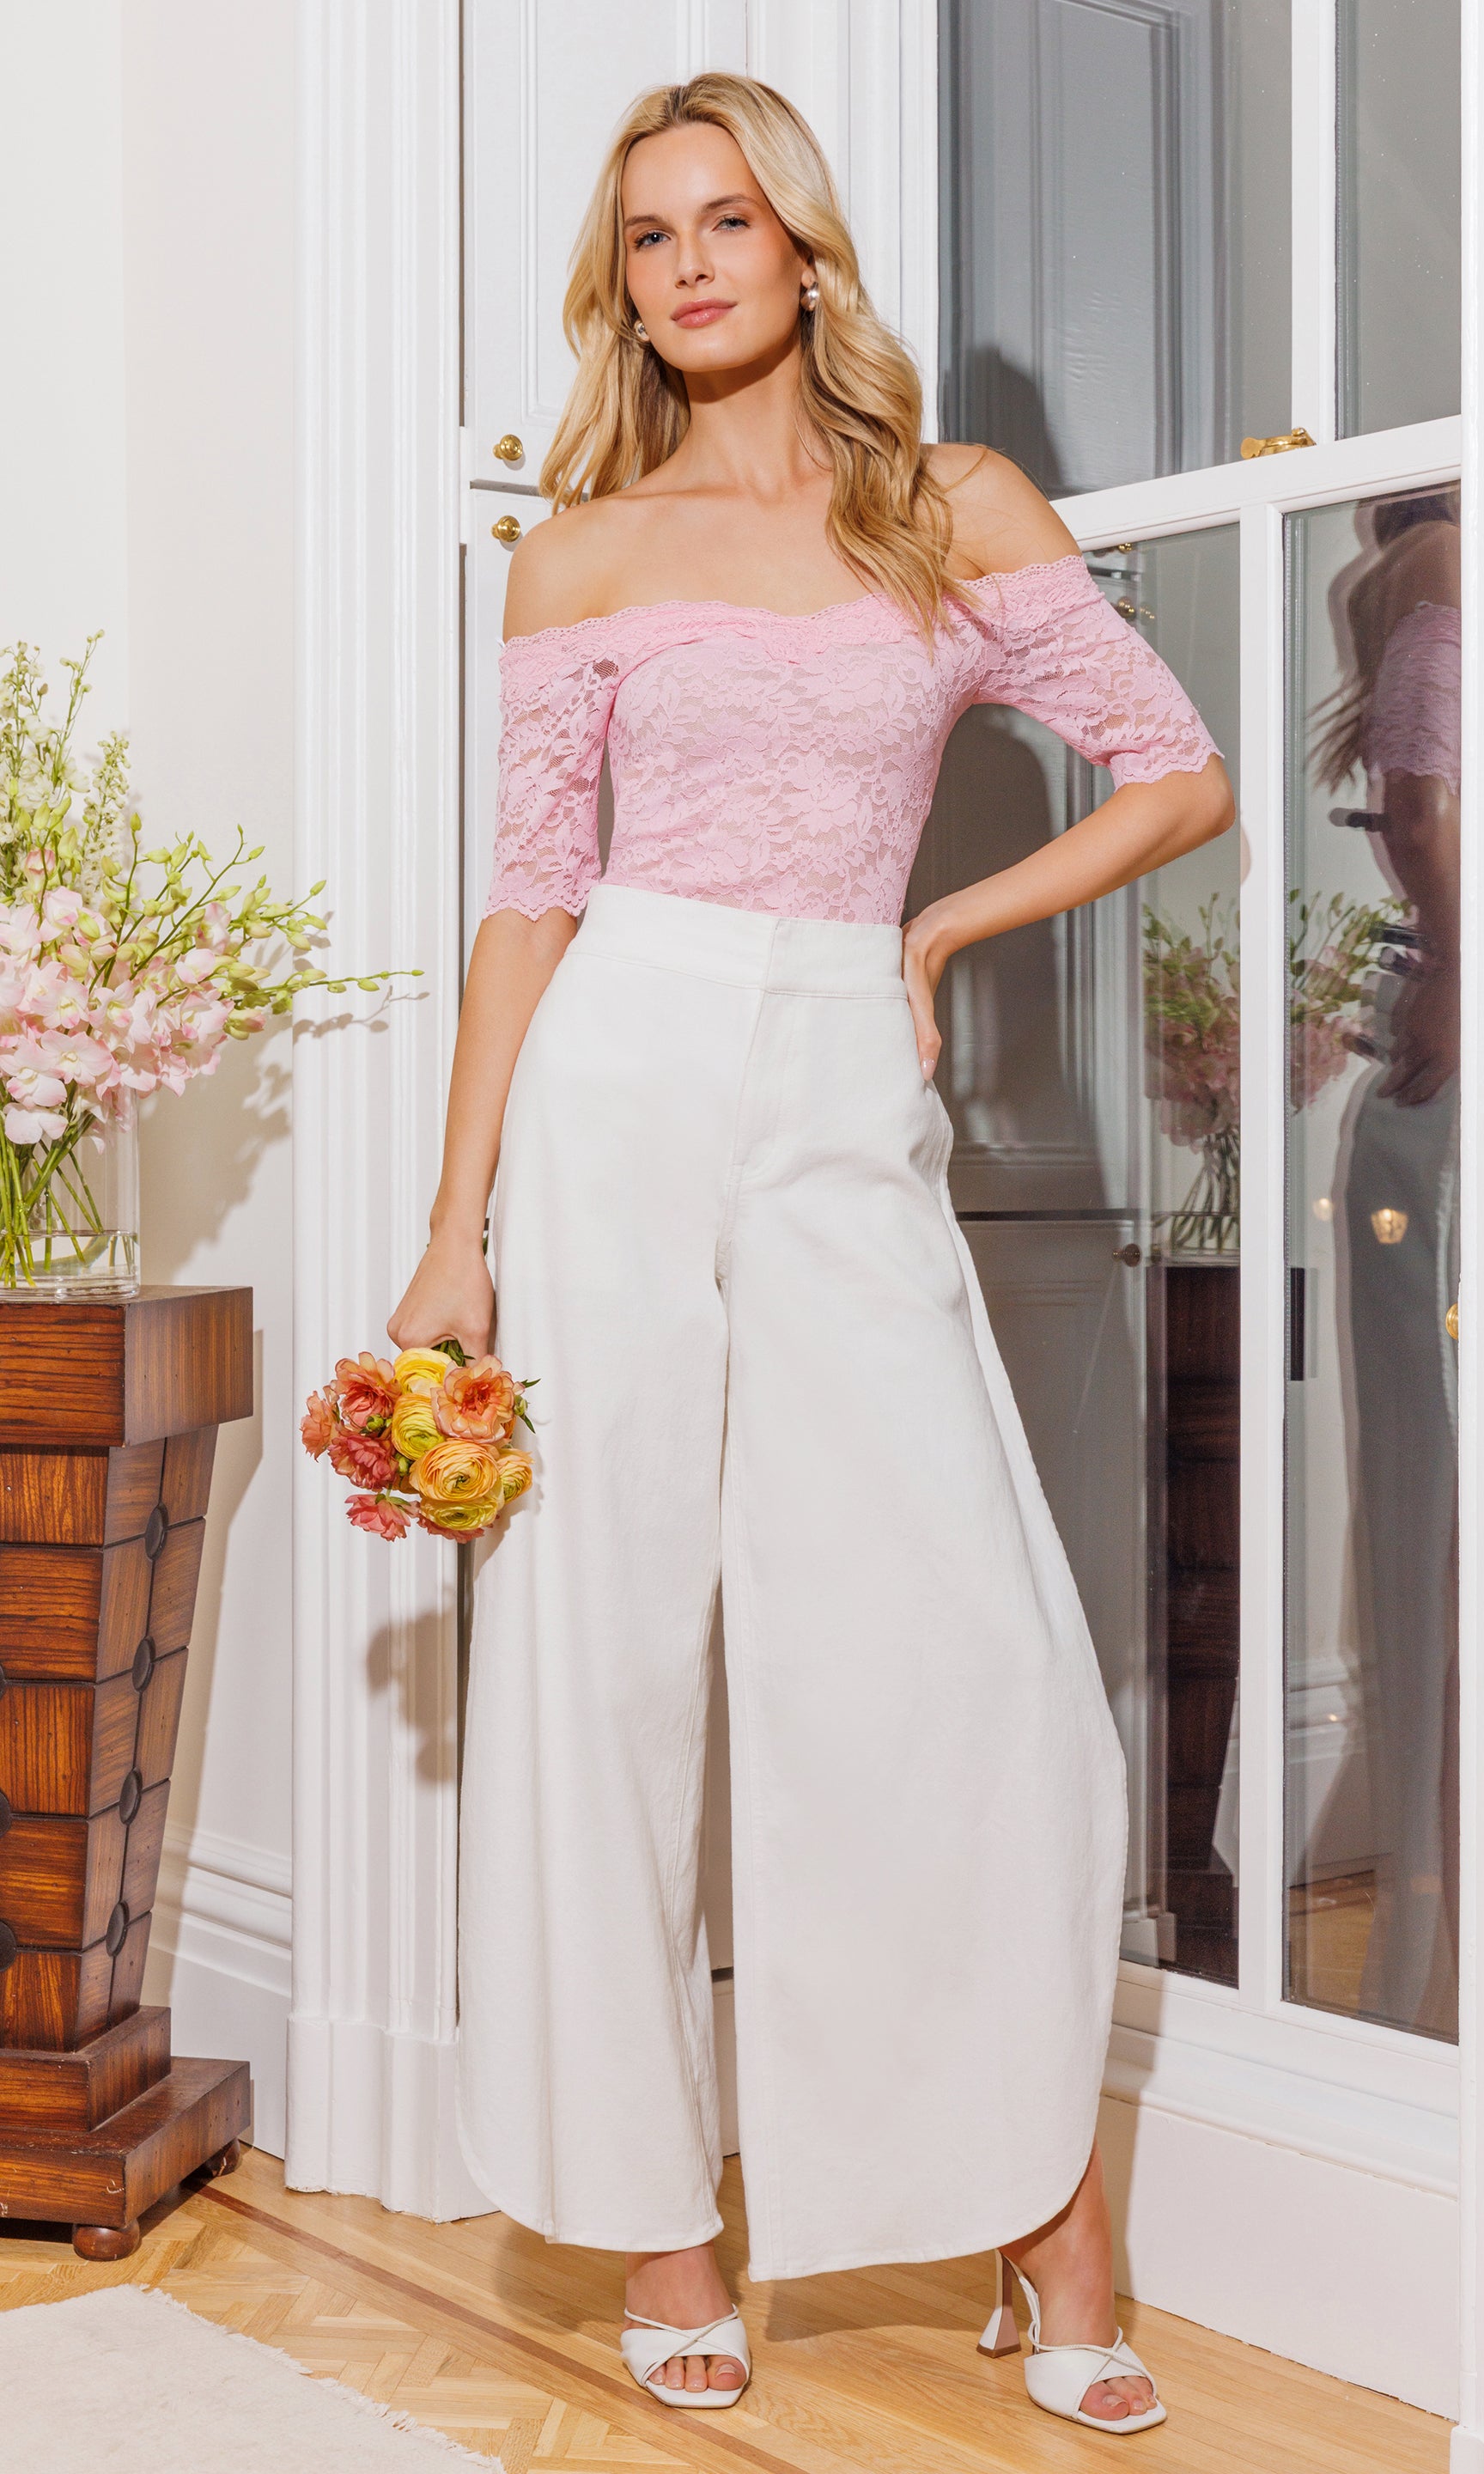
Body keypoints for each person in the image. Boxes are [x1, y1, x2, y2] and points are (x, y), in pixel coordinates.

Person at [390, 73, 1232, 2436]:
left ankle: (1044, 2216)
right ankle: (666, 2223)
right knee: (607, 1653)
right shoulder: (579, 554)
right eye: (650, 236)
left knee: (966, 1661)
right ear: (624, 286)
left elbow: (1177, 771)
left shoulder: (952, 508)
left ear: (803, 248)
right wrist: (455, 1232)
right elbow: (529, 905)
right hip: (618, 1076)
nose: (689, 265)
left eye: (727, 220)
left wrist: (940, 928)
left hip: (843, 1069)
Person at [1314, 491, 1461, 2038]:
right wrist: (1457, 973)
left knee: (1431, 1523)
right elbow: (1422, 808)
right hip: (1448, 1078)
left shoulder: (1385, 572)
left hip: (1426, 1080)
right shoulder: (1441, 561)